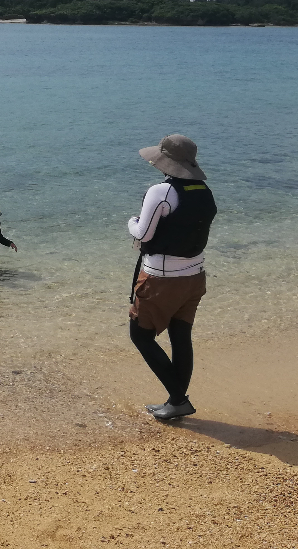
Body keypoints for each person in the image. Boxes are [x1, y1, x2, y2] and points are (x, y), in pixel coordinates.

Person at [126, 134, 217, 421]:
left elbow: (144, 234)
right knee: (181, 336)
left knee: (139, 335)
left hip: (162, 278)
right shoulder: (203, 190)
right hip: (194, 276)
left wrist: (130, 223)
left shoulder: (161, 192)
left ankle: (178, 399)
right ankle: (176, 402)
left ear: (165, 162)